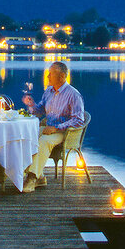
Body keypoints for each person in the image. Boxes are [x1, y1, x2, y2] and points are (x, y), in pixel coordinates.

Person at [20, 61, 85, 193]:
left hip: (64, 132)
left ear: (61, 76)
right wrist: (31, 105)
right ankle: (40, 176)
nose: (47, 77)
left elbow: (79, 120)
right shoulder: (49, 91)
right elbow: (40, 110)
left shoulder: (73, 94)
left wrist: (56, 128)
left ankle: (32, 178)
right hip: (48, 128)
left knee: (43, 142)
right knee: (26, 136)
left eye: (50, 74)